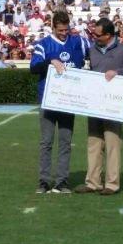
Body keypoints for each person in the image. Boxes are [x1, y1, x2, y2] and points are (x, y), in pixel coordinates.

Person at [75, 17, 123, 195]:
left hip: (113, 106)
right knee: (94, 144)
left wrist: (118, 72)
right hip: (94, 104)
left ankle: (112, 184)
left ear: (108, 35)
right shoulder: (92, 50)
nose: (94, 37)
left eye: (97, 35)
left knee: (113, 144)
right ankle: (93, 182)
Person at [29, 11, 89, 194]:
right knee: (46, 142)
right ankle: (44, 181)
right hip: (48, 100)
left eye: (66, 29)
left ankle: (62, 181)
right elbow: (33, 68)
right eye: (61, 30)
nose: (64, 33)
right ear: (53, 27)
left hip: (69, 101)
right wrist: (51, 60)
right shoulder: (43, 44)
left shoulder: (78, 41)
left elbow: (94, 57)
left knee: (65, 142)